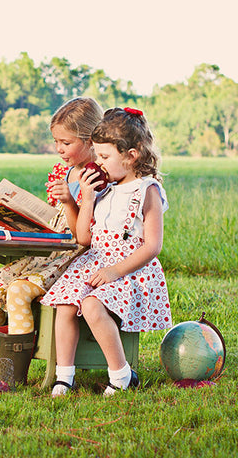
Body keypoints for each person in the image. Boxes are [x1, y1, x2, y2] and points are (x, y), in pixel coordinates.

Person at [0, 97, 104, 386]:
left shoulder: (97, 177)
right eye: (56, 141)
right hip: (49, 248)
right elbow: (54, 217)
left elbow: (85, 232)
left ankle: (11, 377)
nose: (59, 149)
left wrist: (68, 201)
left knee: (17, 291)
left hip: (73, 256)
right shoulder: (66, 171)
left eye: (66, 143)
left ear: (90, 139)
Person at [41, 107, 172, 396]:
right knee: (65, 302)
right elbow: (85, 238)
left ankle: (122, 375)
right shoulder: (106, 189)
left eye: (104, 157)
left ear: (131, 155)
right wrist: (86, 199)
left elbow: (153, 246)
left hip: (129, 269)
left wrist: (115, 270)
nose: (97, 163)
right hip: (95, 260)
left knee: (90, 305)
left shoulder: (146, 190)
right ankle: (65, 376)